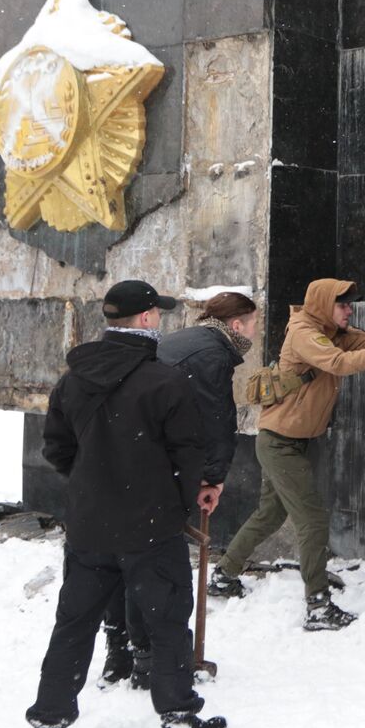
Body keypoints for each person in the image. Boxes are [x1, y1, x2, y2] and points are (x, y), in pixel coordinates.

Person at [24, 279, 227, 728]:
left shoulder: (74, 378)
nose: (160, 319)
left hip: (91, 528)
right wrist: (182, 499)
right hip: (151, 528)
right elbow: (187, 454)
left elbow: (56, 448)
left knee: (73, 626)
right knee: (167, 624)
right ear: (146, 319)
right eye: (157, 313)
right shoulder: (164, 381)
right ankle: (179, 719)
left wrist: (96, 484)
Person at [209, 279, 365, 630]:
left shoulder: (332, 329)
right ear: (322, 304)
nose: (350, 311)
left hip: (302, 440)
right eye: (343, 305)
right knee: (313, 520)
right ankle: (318, 607)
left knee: (270, 515)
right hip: (280, 442)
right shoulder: (306, 332)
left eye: (351, 306)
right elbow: (337, 362)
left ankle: (224, 575)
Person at [99, 291, 260, 688]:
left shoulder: (186, 340)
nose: (256, 331)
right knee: (157, 571)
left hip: (127, 461)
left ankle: (122, 653)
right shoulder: (212, 355)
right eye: (254, 323)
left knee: (125, 561)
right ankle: (151, 661)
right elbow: (216, 421)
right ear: (236, 325)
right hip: (161, 471)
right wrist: (213, 477)